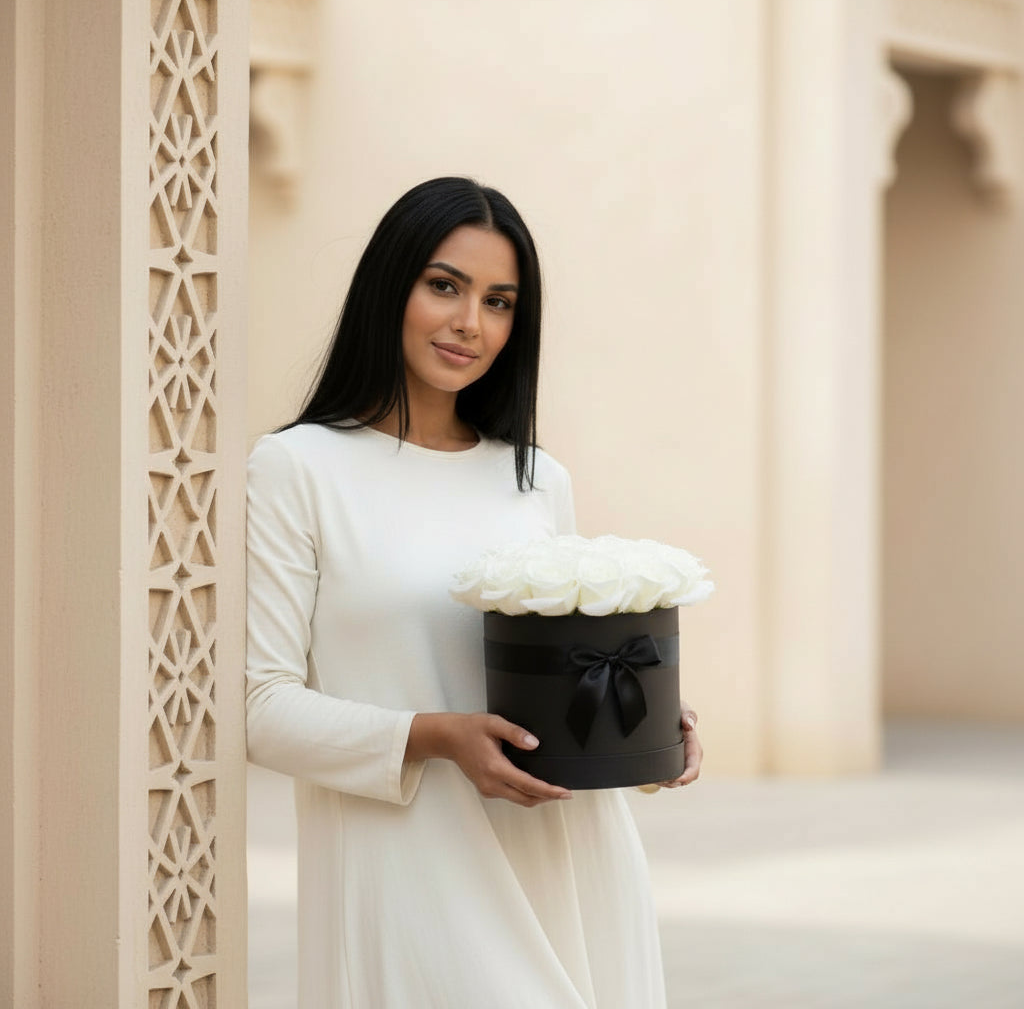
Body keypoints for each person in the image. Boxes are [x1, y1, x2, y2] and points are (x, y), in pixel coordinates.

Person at [245, 177, 703, 1008]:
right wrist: (436, 735)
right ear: (390, 287)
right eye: (444, 286)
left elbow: (555, 673)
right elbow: (261, 709)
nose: (470, 324)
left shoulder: (533, 479)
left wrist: (641, 722)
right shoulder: (296, 469)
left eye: (500, 302)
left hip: (565, 862)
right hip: (409, 869)